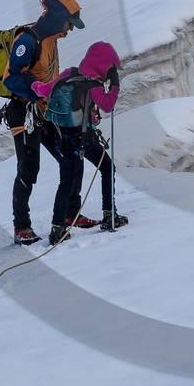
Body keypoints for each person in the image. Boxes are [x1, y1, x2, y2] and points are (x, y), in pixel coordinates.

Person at [2, 0, 84, 245]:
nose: (69, 30)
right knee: (29, 167)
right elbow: (11, 78)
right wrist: (37, 89)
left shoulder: (51, 40)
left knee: (70, 156)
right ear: (59, 17)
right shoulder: (28, 40)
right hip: (23, 112)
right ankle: (21, 226)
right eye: (69, 24)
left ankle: (71, 215)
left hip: (43, 111)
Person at [36, 41, 129, 240]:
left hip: (61, 136)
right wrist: (114, 85)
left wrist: (32, 84)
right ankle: (109, 215)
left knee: (66, 181)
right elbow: (107, 106)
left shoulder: (69, 73)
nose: (111, 70)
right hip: (82, 137)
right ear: (104, 64)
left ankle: (57, 228)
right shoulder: (92, 83)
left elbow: (43, 91)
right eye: (111, 67)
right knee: (107, 167)